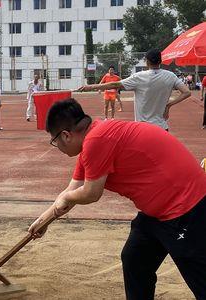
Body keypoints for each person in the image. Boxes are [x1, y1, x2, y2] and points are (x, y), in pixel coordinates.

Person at [28, 98, 206, 300]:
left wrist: (68, 197)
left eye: (54, 141)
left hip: (186, 207)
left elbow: (91, 193)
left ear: (66, 135)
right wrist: (43, 221)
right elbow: (72, 189)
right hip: (157, 212)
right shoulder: (92, 138)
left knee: (197, 273)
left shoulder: (97, 140)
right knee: (135, 259)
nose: (56, 146)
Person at [78, 49, 191, 131]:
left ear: (147, 61)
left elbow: (115, 84)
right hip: (162, 128)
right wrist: (169, 105)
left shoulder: (140, 76)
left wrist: (92, 86)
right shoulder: (170, 76)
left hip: (143, 129)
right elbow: (187, 92)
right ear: (160, 61)